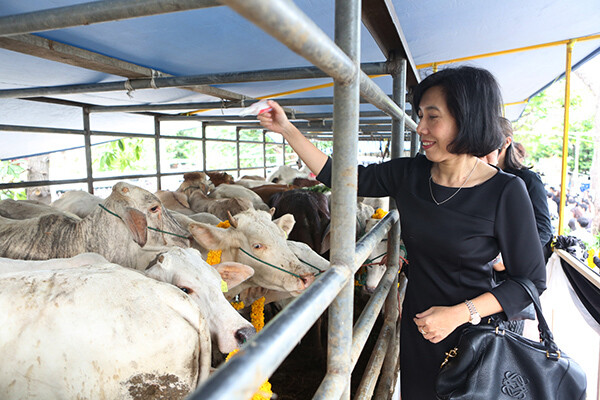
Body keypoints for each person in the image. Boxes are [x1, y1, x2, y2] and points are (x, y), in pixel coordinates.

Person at [258, 66, 546, 400]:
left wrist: (458, 315)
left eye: (432, 117)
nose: (420, 127)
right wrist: (287, 129)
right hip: (417, 328)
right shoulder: (410, 173)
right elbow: (342, 175)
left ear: (467, 119)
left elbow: (530, 282)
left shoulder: (505, 191)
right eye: (420, 115)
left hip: (471, 333)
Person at [481, 117, 554, 262]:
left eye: (490, 142)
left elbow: (544, 229)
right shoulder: (479, 177)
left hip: (518, 265)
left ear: (506, 142)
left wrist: (511, 258)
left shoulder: (529, 180)